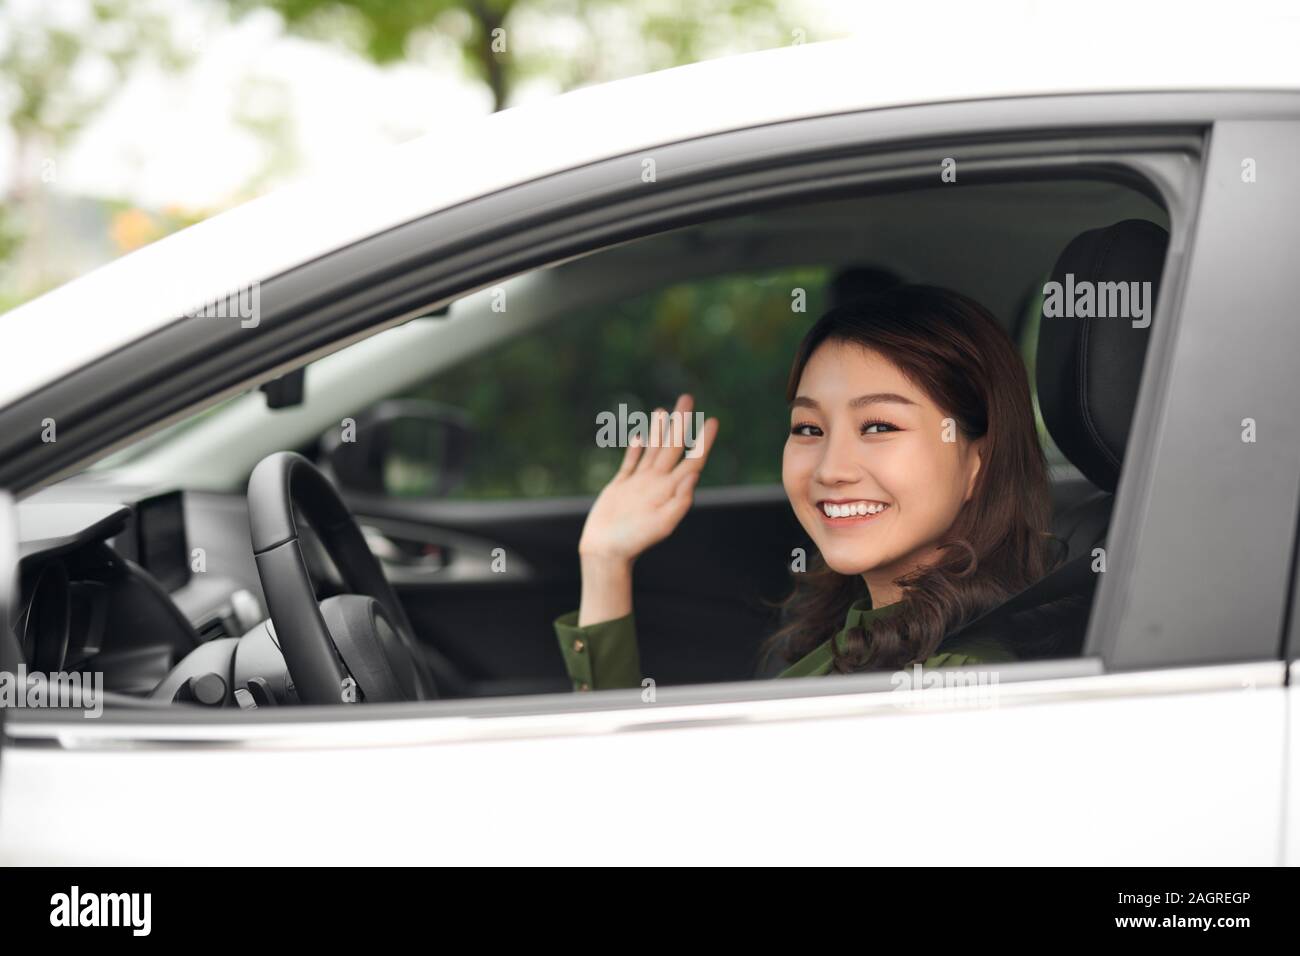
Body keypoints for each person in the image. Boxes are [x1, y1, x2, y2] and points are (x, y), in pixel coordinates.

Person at [554, 284, 1057, 691]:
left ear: (980, 461)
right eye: (809, 429)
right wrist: (605, 562)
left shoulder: (957, 680)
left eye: (879, 427)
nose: (831, 469)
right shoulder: (852, 629)